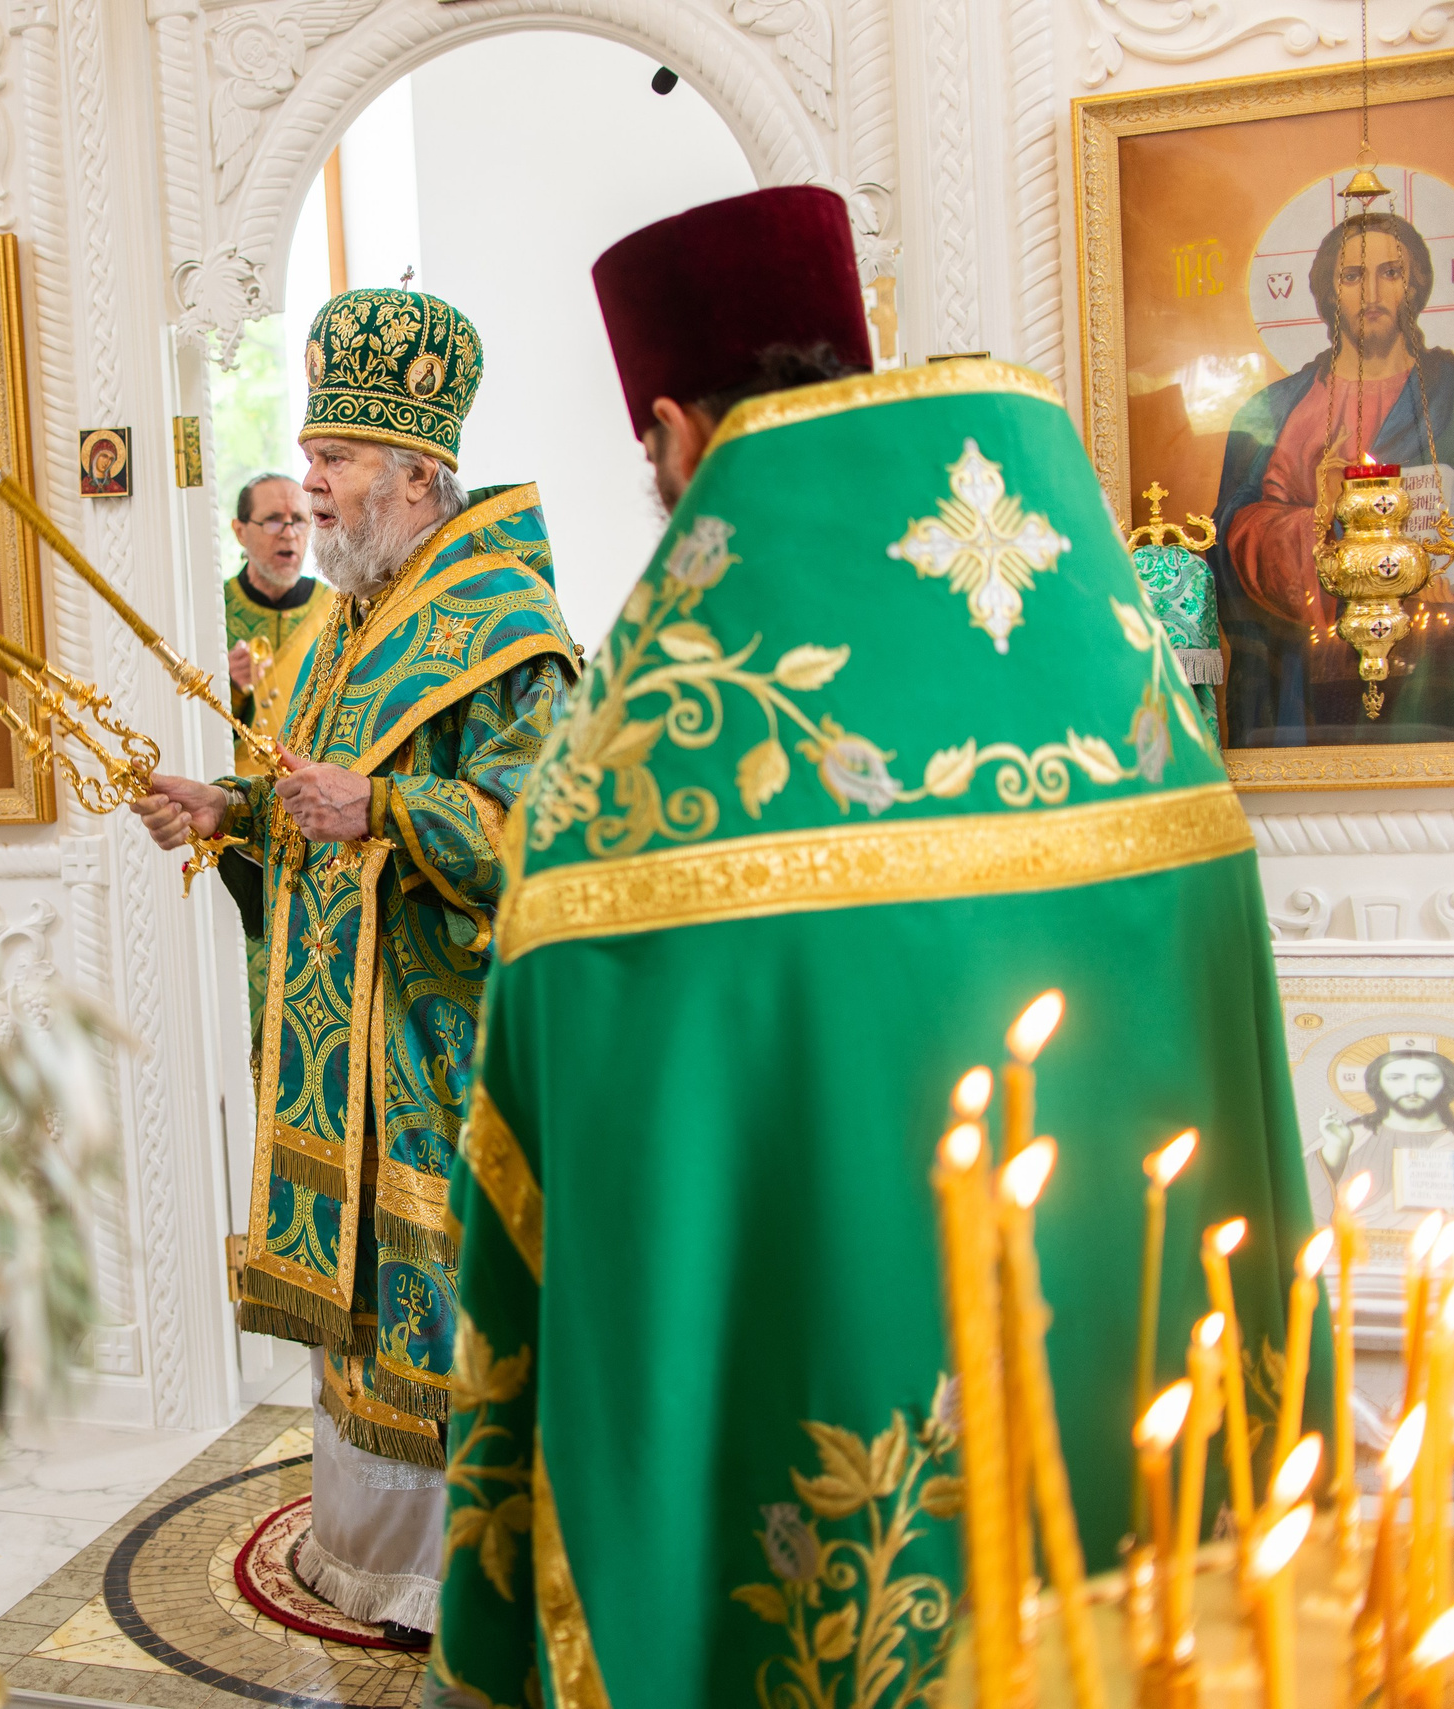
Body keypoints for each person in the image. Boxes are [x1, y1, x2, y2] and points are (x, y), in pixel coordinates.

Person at [432, 186, 1313, 1709]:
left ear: (676, 436)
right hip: (1150, 1512)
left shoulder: (631, 785)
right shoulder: (1128, 696)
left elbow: (565, 1204)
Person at [132, 287, 575, 1641]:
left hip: (446, 1046)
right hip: (340, 1042)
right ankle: (369, 1550)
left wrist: (390, 812)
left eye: (335, 460)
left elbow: (552, 838)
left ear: (419, 475)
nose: (310, 483)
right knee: (362, 1322)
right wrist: (233, 808)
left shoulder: (508, 633)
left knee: (439, 1302)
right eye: (313, 456)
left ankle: (466, 1580)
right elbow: (304, 799)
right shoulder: (336, 625)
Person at [1212, 209, 1454, 746]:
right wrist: (1320, 519)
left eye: (1391, 272)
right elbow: (1231, 543)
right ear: (1327, 291)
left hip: (1444, 676)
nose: (1371, 291)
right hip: (1308, 677)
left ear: (1416, 285)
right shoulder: (1273, 411)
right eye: (1351, 276)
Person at [219, 472, 338, 1063]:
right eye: (273, 520)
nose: (289, 533)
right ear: (240, 530)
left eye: (299, 518)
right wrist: (228, 687)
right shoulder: (209, 612)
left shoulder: (338, 612)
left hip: (320, 826)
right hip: (234, 831)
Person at [1318, 1046, 1454, 1225]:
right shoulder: (1351, 1135)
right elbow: (1302, 1200)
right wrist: (1336, 1150)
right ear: (1378, 1085)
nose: (1412, 1089)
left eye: (1427, 1079)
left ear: (1447, 1084)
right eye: (1396, 1078)